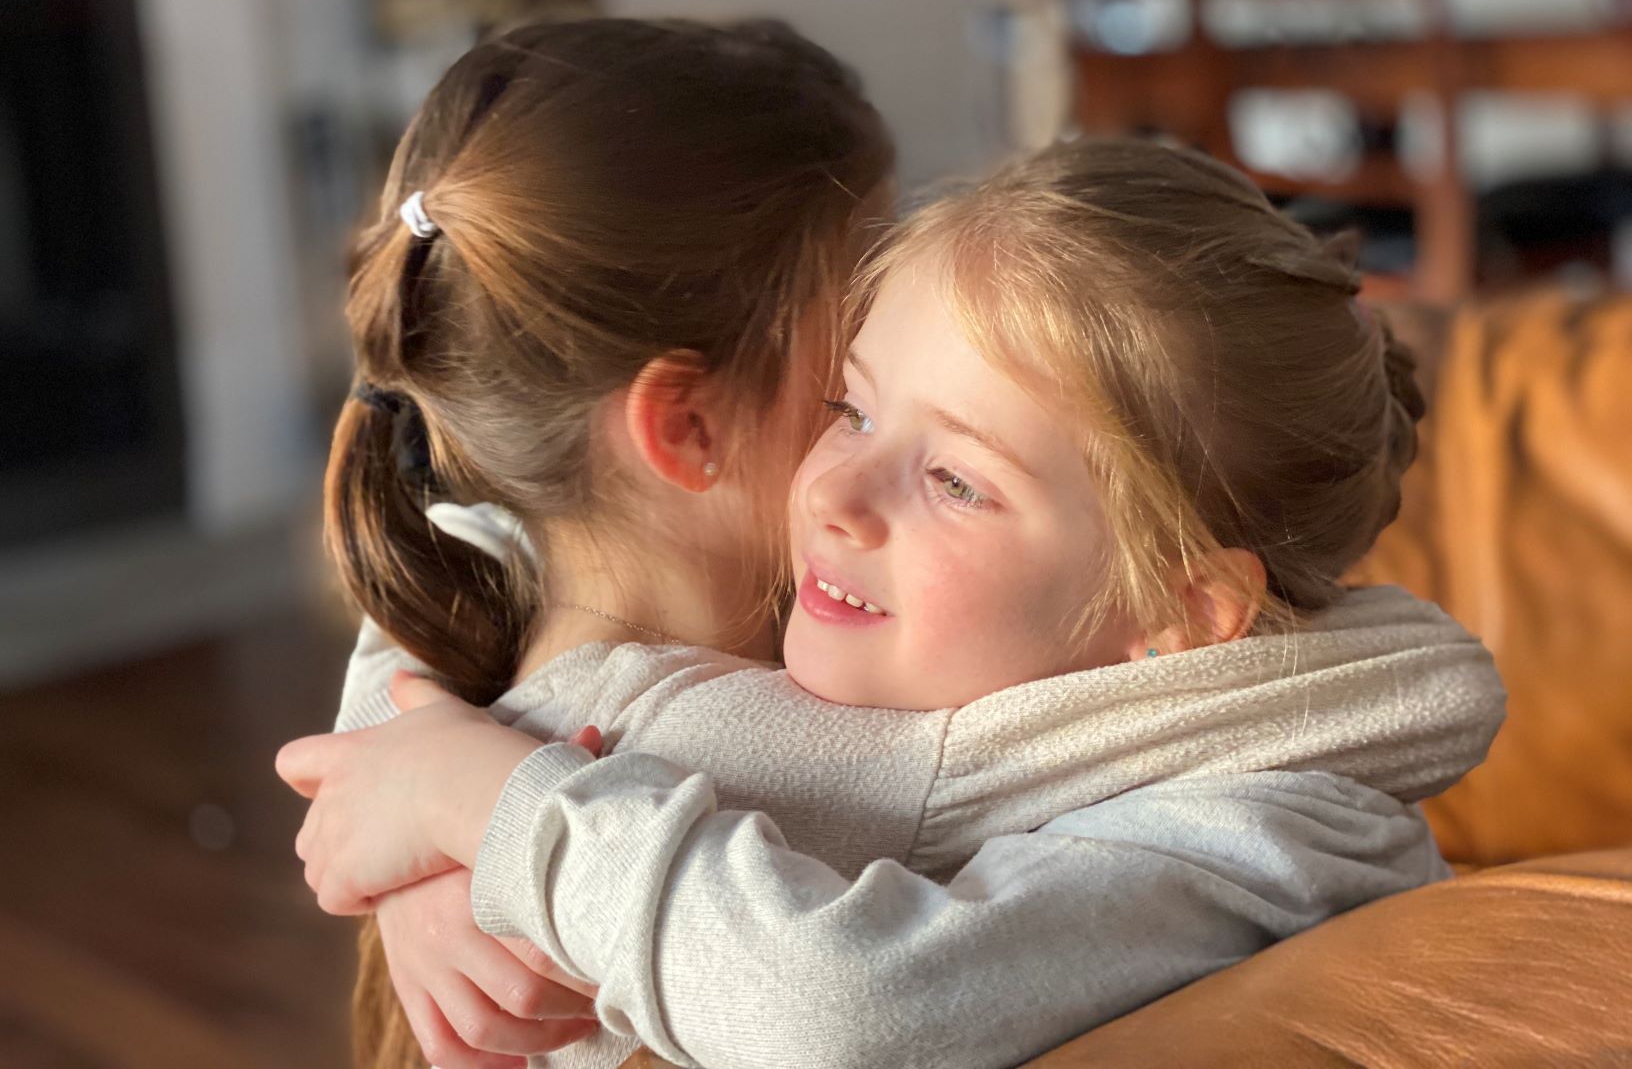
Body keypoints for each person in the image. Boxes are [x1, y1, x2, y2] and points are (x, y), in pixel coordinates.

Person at [281, 137, 1505, 1069]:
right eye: (852, 409)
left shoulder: (1260, 840)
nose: (835, 495)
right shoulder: (963, 616)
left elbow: (843, 1012)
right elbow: (496, 545)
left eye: (957, 480)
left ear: (1180, 610)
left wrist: (496, 808)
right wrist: (430, 836)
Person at [303, 14, 896, 1069]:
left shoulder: (481, 636)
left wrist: (445, 817)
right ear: (690, 428)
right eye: (860, 341)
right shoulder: (792, 761)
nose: (905, 355)